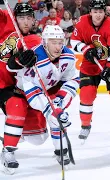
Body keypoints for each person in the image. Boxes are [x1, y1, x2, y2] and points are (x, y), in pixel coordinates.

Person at [13, 25, 78, 171]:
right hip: (25, 95)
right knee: (37, 139)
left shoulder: (68, 56)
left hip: (48, 90)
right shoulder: (35, 58)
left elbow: (72, 80)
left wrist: (59, 102)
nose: (57, 47)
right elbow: (31, 90)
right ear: (44, 42)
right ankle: (17, 132)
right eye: (53, 42)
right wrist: (50, 109)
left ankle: (61, 152)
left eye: (60, 42)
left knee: (57, 118)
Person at [70, 0, 110, 142]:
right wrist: (86, 50)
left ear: (105, 12)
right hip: (90, 64)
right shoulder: (82, 22)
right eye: (95, 12)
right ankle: (85, 125)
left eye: (100, 12)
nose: (97, 15)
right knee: (86, 95)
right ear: (90, 12)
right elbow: (74, 41)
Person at [0, 3, 41, 174]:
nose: (25, 22)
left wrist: (26, 61)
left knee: (19, 108)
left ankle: (8, 150)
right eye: (21, 18)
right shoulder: (5, 21)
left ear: (33, 20)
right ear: (15, 18)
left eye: (28, 18)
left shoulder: (35, 41)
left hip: (6, 85)